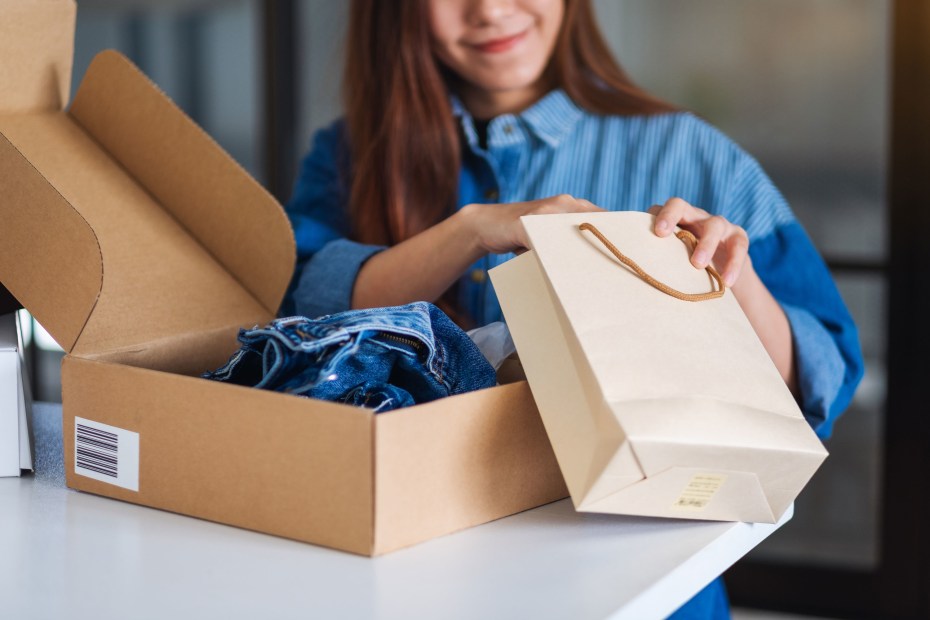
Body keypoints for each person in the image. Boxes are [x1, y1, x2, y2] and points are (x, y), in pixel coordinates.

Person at [282, 0, 864, 617]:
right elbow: (305, 310)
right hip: (419, 579)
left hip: (644, 588)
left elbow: (810, 386)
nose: (491, 10)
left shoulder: (693, 152)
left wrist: (728, 277)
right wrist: (474, 229)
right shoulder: (352, 153)